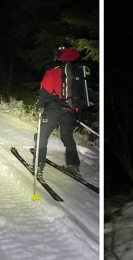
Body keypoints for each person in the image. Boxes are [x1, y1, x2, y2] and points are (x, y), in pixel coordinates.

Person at [33, 47, 82, 177]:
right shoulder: (77, 71)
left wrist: (39, 106)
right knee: (67, 136)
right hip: (70, 110)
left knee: (42, 135)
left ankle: (38, 165)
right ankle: (74, 165)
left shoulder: (54, 70)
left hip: (54, 108)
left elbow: (45, 90)